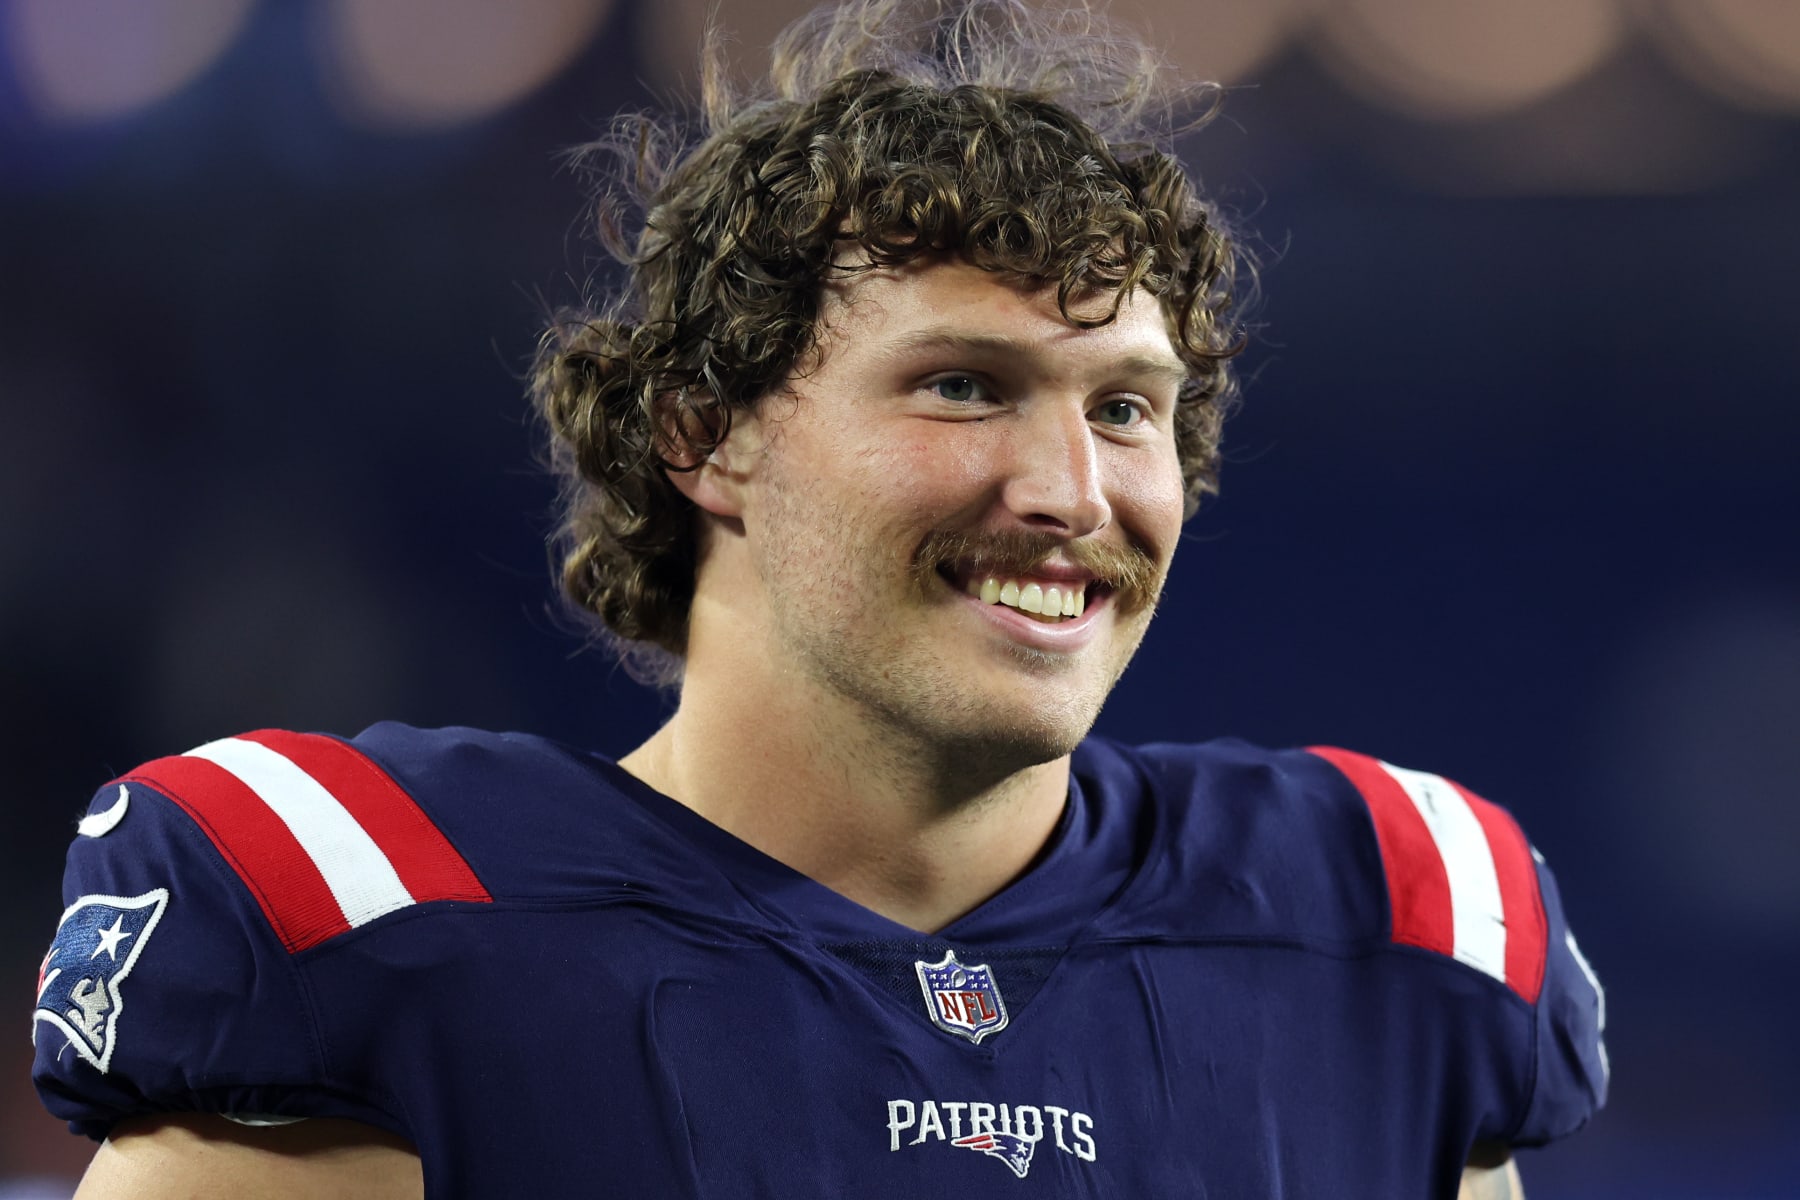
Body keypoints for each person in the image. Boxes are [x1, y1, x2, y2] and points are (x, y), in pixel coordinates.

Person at [31, 1, 1607, 1196]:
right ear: (705, 437)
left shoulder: (1390, 929)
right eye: (963, 385)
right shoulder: (376, 915)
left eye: (1126, 407)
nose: (1072, 490)